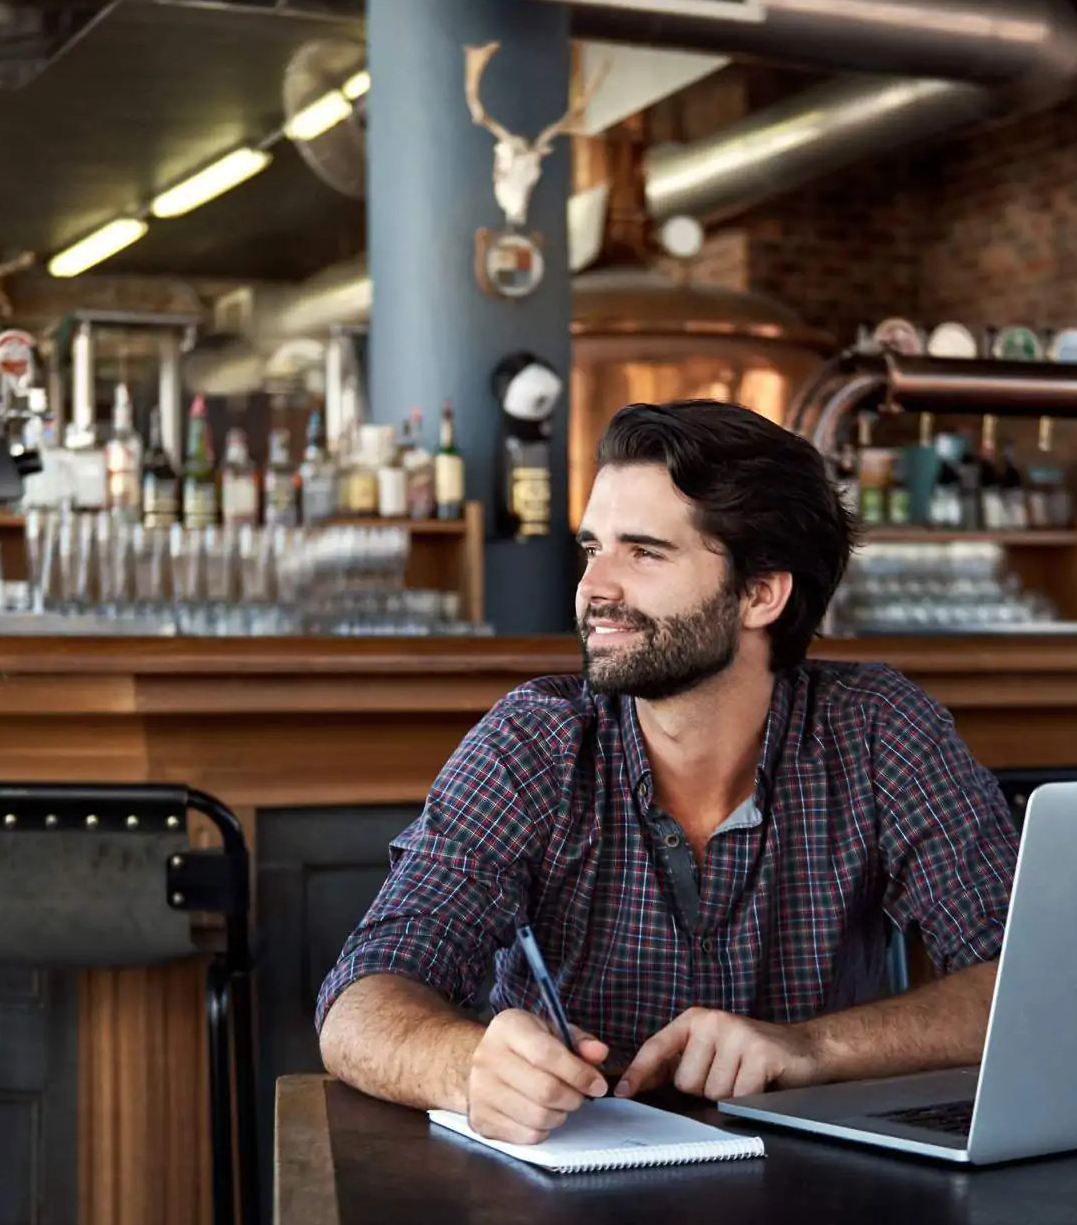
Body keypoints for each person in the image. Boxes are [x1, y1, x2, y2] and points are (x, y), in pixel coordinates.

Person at [315, 399, 1019, 1145]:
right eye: (593, 550)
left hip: (822, 1196)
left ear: (760, 593)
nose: (596, 588)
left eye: (644, 552)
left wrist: (810, 1047)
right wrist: (468, 1065)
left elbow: (1022, 981)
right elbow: (358, 1003)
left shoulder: (879, 730)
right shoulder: (535, 741)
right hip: (565, 1202)